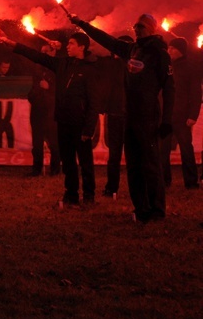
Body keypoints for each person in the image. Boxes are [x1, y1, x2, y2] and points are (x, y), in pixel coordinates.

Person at [70, 13, 174, 222]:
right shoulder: (132, 49)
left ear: (152, 28)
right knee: (134, 165)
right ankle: (141, 208)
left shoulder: (159, 54)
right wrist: (82, 24)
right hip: (131, 116)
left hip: (148, 117)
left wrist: (167, 120)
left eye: (141, 26)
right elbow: (105, 39)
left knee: (151, 165)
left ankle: (157, 210)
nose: (136, 29)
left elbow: (170, 88)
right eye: (135, 26)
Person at [0, 32, 99, 205]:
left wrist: (89, 128)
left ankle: (89, 196)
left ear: (82, 47)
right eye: (68, 44)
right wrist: (15, 45)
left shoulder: (90, 69)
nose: (68, 46)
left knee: (85, 162)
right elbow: (38, 57)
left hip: (80, 123)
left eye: (72, 44)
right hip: (63, 121)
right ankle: (71, 195)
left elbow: (94, 101)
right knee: (68, 161)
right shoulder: (62, 64)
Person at [161, 37, 200, 189]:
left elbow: (195, 93)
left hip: (182, 115)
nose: (169, 51)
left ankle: (191, 182)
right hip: (165, 115)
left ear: (181, 51)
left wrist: (192, 115)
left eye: (173, 48)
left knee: (186, 148)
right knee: (162, 149)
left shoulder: (190, 67)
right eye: (168, 48)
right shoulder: (165, 66)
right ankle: (164, 181)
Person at [97, 35, 133, 197]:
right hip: (119, 113)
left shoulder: (126, 66)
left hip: (126, 114)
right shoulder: (114, 64)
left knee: (123, 154)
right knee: (119, 155)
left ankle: (117, 188)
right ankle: (115, 187)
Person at [27, 43, 61, 176]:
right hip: (38, 110)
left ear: (53, 53)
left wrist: (49, 87)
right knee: (37, 142)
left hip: (51, 111)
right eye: (42, 51)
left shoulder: (58, 68)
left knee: (54, 142)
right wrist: (33, 96)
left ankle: (55, 169)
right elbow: (34, 88)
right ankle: (36, 168)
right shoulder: (37, 68)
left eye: (46, 51)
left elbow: (61, 90)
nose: (43, 54)